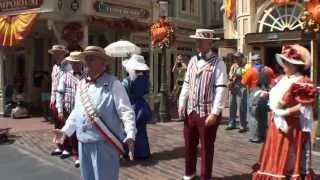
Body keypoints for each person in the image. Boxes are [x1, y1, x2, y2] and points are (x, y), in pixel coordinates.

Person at [53, 46, 136, 180]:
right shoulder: (81, 84)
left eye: (91, 59)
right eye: (85, 59)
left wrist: (131, 133)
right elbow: (77, 112)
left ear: (103, 63)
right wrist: (65, 131)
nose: (87, 62)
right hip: (83, 142)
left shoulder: (113, 83)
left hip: (105, 143)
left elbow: (126, 111)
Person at [252, 44, 317, 179]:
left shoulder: (303, 82)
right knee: (274, 158)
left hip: (291, 128)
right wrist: (267, 94)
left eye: (287, 63)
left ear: (295, 65)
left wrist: (284, 112)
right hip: (276, 126)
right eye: (284, 62)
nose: (284, 66)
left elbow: (304, 107)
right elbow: (278, 96)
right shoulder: (281, 79)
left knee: (288, 160)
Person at [179, 29, 228, 180]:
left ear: (210, 42)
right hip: (191, 111)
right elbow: (187, 84)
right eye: (197, 40)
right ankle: (189, 174)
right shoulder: (193, 60)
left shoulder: (218, 63)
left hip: (207, 112)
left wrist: (215, 112)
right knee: (189, 145)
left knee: (206, 148)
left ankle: (205, 176)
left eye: (201, 41)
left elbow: (221, 89)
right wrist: (182, 103)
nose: (198, 43)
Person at [55, 51, 84, 167]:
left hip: (82, 110)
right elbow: (60, 93)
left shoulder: (86, 76)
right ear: (71, 63)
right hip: (69, 108)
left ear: (81, 63)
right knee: (72, 133)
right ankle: (76, 155)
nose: (76, 65)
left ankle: (81, 154)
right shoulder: (65, 76)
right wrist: (60, 109)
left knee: (81, 132)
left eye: (78, 63)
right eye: (74, 63)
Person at [122, 54, 152, 160]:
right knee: (141, 130)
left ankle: (129, 152)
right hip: (142, 106)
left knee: (129, 129)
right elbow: (147, 90)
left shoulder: (127, 80)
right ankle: (143, 152)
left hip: (130, 105)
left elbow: (123, 93)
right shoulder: (145, 79)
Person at [241, 54, 274, 143]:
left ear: (253, 62)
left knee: (253, 116)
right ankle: (263, 135)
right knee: (263, 116)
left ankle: (255, 137)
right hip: (265, 94)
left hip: (254, 94)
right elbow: (272, 83)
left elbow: (243, 82)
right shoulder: (269, 70)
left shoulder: (251, 71)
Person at [48, 44, 69, 156]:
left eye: (58, 53)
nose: (56, 55)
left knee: (64, 123)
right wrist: (52, 99)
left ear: (63, 53)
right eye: (54, 53)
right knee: (56, 124)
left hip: (65, 98)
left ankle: (67, 147)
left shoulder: (68, 66)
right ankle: (59, 146)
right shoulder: (55, 67)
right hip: (56, 98)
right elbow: (53, 84)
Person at [226, 52, 247, 131]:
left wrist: (240, 75)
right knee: (232, 106)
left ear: (242, 58)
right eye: (235, 58)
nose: (236, 59)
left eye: (237, 57)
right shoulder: (233, 66)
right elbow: (230, 75)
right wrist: (232, 78)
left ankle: (242, 125)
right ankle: (231, 123)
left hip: (242, 88)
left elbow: (247, 76)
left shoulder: (246, 66)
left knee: (241, 107)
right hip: (233, 87)